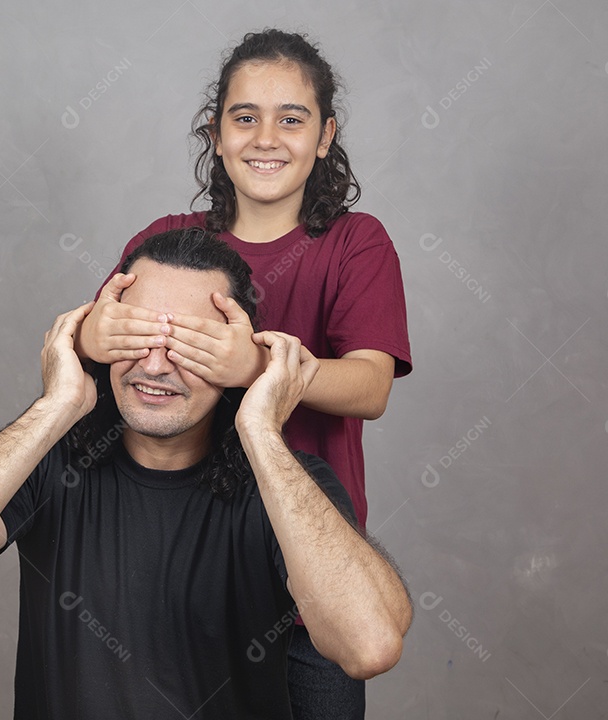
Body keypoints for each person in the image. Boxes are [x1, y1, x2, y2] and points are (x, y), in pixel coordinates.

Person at [0, 229, 412, 719]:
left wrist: (263, 430)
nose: (154, 364)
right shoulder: (50, 464)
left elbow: (370, 646)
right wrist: (55, 407)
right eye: (136, 336)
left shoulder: (285, 488)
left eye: (189, 345)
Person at [77, 29, 412, 718]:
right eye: (244, 117)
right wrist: (93, 333)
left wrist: (254, 365)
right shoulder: (165, 242)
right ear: (217, 134)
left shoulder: (357, 243)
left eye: (292, 118)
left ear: (324, 136)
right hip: (180, 577)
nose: (267, 137)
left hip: (306, 584)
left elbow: (370, 386)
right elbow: (89, 352)